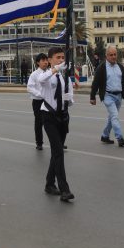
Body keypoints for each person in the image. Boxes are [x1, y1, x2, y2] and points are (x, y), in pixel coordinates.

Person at [29, 46, 74, 202]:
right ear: (49, 60)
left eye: (62, 57)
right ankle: (64, 189)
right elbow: (41, 80)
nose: (61, 60)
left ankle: (49, 183)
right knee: (59, 152)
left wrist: (69, 99)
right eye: (57, 57)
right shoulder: (46, 75)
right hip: (49, 116)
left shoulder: (64, 77)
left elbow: (69, 96)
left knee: (56, 152)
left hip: (63, 117)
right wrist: (55, 69)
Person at [90, 46, 124, 147]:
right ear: (106, 56)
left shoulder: (120, 67)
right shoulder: (101, 67)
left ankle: (105, 136)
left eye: (115, 54)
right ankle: (120, 138)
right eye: (111, 55)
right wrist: (92, 97)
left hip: (118, 96)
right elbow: (95, 83)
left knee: (112, 117)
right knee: (115, 116)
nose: (113, 56)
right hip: (108, 96)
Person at [26, 53, 49, 151]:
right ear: (38, 62)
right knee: (39, 123)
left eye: (46, 60)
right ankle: (39, 143)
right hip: (38, 102)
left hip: (48, 101)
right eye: (43, 60)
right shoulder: (34, 74)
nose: (45, 62)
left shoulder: (50, 73)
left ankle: (58, 142)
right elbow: (29, 88)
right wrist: (41, 94)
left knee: (52, 122)